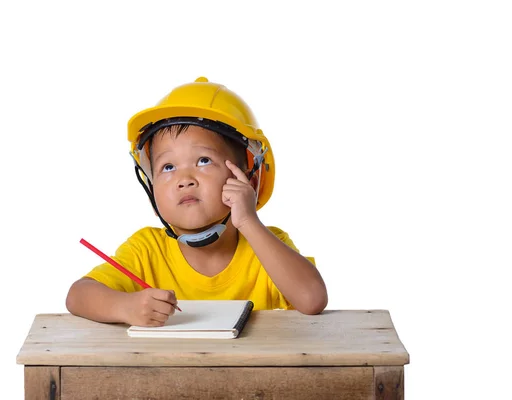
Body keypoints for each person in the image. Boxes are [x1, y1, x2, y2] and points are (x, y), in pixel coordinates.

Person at [66, 77, 328, 327]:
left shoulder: (265, 246)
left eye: (203, 161)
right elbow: (78, 295)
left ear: (248, 176)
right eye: (168, 167)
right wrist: (125, 307)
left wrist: (249, 221)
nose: (184, 179)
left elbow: (312, 299)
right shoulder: (146, 250)